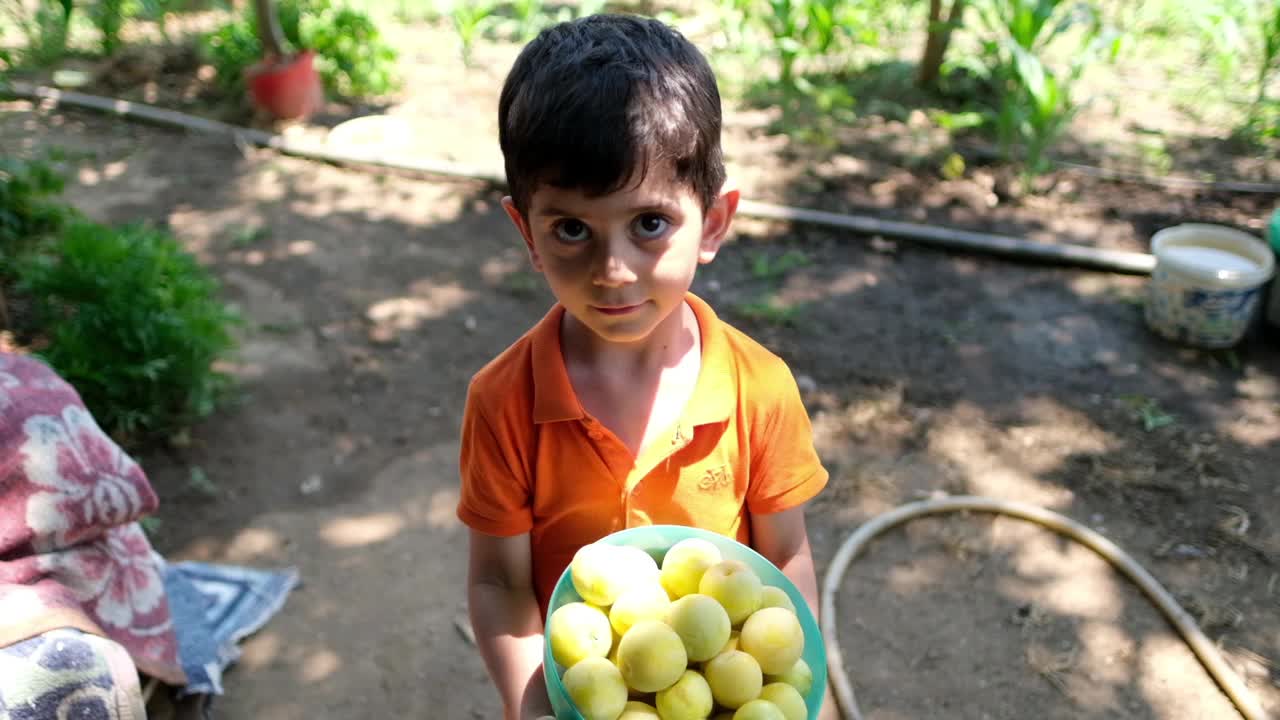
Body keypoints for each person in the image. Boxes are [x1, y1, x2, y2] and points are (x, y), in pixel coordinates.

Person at [456, 14, 837, 720]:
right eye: (572, 228)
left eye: (650, 224)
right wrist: (531, 700)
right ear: (527, 234)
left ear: (714, 222)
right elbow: (500, 585)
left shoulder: (760, 389)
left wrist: (789, 675)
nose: (613, 270)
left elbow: (785, 558)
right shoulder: (503, 402)